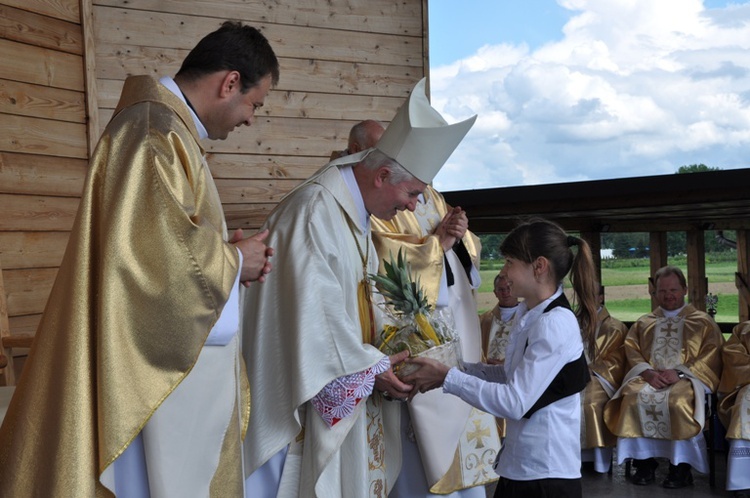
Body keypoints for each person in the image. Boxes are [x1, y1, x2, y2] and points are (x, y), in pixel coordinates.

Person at [0, 21, 279, 497]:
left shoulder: (163, 128)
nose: (250, 119)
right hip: (142, 380)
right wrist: (233, 262)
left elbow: (160, 241)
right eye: (254, 104)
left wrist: (227, 257)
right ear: (229, 82)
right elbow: (156, 269)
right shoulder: (156, 132)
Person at [241, 77, 476, 498]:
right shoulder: (316, 212)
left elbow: (358, 302)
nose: (414, 206)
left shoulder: (353, 211)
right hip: (296, 403)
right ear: (382, 175)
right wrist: (370, 367)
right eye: (412, 193)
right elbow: (316, 315)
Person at [403, 218, 599, 498]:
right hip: (521, 466)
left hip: (545, 474)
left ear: (539, 266)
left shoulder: (553, 323)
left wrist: (447, 377)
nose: (504, 272)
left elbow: (514, 401)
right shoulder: (530, 312)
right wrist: (456, 369)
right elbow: (510, 374)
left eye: (510, 262)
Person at [370, 126, 501, 495]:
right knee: (422, 438)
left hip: (454, 323)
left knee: (460, 403)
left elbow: (465, 252)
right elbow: (382, 258)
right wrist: (438, 243)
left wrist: (460, 234)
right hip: (415, 327)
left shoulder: (433, 196)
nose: (416, 197)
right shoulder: (378, 200)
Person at [603, 265, 723, 489]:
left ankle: (680, 468)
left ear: (685, 289)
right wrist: (647, 372)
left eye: (674, 290)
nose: (668, 295)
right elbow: (631, 351)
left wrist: (679, 372)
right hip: (648, 377)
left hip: (686, 379)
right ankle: (644, 464)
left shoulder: (703, 322)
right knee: (631, 399)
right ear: (654, 292)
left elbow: (712, 353)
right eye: (663, 291)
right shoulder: (643, 322)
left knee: (677, 402)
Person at [580, 284, 627, 473]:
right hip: (571, 377)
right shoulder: (570, 321)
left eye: (592, 295)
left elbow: (618, 359)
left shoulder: (614, 327)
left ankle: (597, 462)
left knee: (590, 402)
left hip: (600, 378)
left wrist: (592, 370)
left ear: (601, 297)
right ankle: (567, 457)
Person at [478, 274, 520, 442]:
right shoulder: (484, 320)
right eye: (501, 289)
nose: (506, 293)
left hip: (514, 378)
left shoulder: (527, 318)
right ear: (495, 292)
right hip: (488, 378)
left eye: (509, 288)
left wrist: (506, 363)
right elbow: (475, 347)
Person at [718, 321, 750, 498]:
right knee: (744, 406)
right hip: (749, 384)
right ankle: (744, 480)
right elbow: (734, 361)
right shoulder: (744, 330)